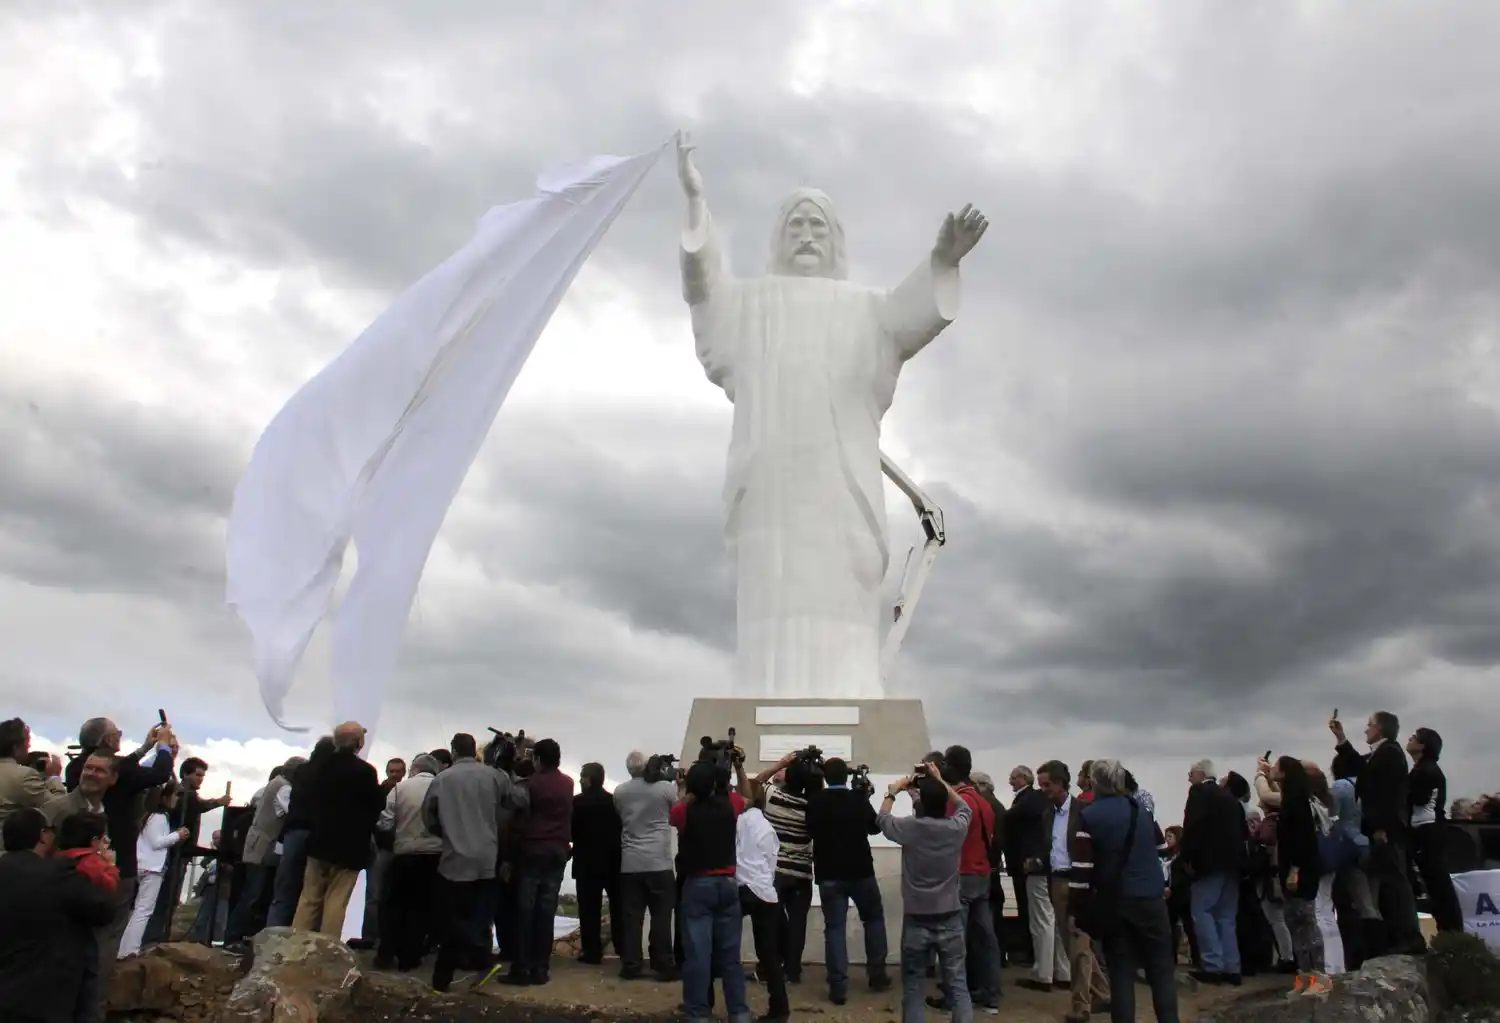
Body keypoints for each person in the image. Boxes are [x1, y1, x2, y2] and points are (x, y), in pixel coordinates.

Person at [674, 134, 988, 701]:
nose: (807, 236)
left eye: (819, 226)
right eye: (796, 225)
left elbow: (908, 319)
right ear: (777, 238)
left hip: (840, 486)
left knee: (842, 595)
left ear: (837, 239)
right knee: (771, 594)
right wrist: (697, 205)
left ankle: (850, 695)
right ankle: (762, 696)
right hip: (769, 486)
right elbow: (705, 290)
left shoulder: (865, 308)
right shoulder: (751, 303)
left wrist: (941, 261)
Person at [1070, 759, 1180, 1023]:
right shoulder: (1140, 812)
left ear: (1095, 783)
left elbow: (1082, 870)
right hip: (1151, 898)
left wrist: (1077, 910)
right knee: (1161, 970)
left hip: (1116, 901)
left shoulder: (1089, 815)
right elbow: (1156, 849)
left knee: (1120, 971)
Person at [423, 732, 528, 993]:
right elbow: (518, 800)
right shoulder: (493, 776)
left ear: (454, 751)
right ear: (474, 751)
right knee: (478, 917)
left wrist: (446, 833)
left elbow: (429, 817)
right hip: (486, 856)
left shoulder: (442, 779)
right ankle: (451, 974)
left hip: (454, 859)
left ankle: (459, 969)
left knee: (451, 918)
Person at [878, 761, 974, 1023]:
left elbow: (882, 819)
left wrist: (892, 791)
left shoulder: (910, 828)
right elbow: (965, 808)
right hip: (950, 914)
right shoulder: (955, 829)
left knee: (913, 986)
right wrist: (939, 780)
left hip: (917, 916)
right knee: (957, 984)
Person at [0, 808, 116, 1023]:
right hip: (41, 997)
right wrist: (105, 866)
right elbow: (105, 910)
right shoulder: (58, 874)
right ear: (43, 835)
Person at [1330, 711, 1424, 956]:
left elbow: (1387, 795)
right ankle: (1398, 936)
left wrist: (1382, 827)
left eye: (1370, 725)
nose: (1366, 729)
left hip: (1386, 829)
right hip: (1379, 829)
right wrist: (1341, 738)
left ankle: (1409, 936)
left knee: (1395, 882)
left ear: (1380, 729)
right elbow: (1361, 768)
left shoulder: (1390, 753)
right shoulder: (1382, 754)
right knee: (1388, 882)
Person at [805, 757, 889, 1004]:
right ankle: (877, 974)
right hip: (860, 870)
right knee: (873, 919)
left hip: (829, 872)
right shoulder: (858, 799)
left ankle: (838, 986)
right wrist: (866, 798)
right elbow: (875, 829)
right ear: (846, 776)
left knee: (834, 928)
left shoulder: (816, 801)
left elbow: (809, 830)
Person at [672, 759, 750, 1023]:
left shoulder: (684, 811)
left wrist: (684, 788)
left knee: (697, 956)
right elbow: (748, 796)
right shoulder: (730, 804)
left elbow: (676, 812)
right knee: (730, 957)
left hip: (698, 884)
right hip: (727, 882)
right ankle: (739, 1012)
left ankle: (699, 1014)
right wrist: (738, 769)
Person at [293, 722, 385, 936]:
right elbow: (376, 805)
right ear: (359, 743)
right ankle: (327, 951)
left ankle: (296, 945)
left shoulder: (317, 768)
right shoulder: (365, 771)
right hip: (350, 847)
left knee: (309, 898)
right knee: (337, 900)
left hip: (318, 841)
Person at [500, 738, 573, 986]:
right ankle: (541, 968)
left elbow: (514, 806)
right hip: (558, 850)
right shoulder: (568, 783)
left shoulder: (530, 784)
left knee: (525, 910)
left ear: (538, 759)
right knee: (546, 911)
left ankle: (521, 969)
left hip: (533, 849)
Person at [938, 746, 1002, 1015]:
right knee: (986, 938)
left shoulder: (956, 802)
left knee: (956, 940)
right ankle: (991, 995)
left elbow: (946, 837)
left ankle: (954, 997)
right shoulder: (984, 802)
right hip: (982, 874)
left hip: (961, 872)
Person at [1263, 757, 1328, 996]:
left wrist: (1295, 870)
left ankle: (1319, 975)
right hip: (1291, 869)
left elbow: (1303, 840)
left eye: (1277, 767)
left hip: (1300, 871)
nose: (1274, 770)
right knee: (1294, 923)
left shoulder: (1298, 803)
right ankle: (1305, 976)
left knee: (1306, 922)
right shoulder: (1292, 798)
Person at [1179, 759, 1246, 986]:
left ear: (1200, 773)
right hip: (1233, 864)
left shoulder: (1199, 793)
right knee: (1226, 917)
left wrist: (1187, 858)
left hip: (1208, 864)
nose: (1189, 778)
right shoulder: (1229, 798)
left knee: (1202, 911)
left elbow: (1193, 827)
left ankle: (1212, 964)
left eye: (1190, 773)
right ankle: (1232, 966)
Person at [614, 751, 679, 982]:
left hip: (630, 862)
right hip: (659, 861)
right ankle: (662, 963)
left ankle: (631, 964)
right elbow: (677, 811)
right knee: (661, 916)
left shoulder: (620, 792)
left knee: (632, 917)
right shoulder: (665, 789)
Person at [374, 753, 442, 972]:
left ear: (413, 769)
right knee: (421, 907)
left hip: (404, 852)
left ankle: (386, 953)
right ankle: (410, 957)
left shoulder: (399, 789)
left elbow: (385, 822)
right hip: (433, 854)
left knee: (394, 904)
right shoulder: (442, 787)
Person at [228, 757, 302, 945]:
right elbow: (291, 811)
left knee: (254, 893)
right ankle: (234, 936)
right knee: (253, 894)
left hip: (260, 845)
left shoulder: (274, 784)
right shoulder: (284, 788)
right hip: (263, 847)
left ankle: (237, 935)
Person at [267, 736, 333, 927]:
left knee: (284, 890)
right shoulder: (328, 774)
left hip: (292, 833)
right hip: (316, 834)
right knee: (312, 890)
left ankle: (273, 935)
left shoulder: (302, 773)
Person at [118, 782, 188, 957]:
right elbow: (157, 842)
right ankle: (129, 950)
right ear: (165, 797)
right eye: (175, 795)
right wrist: (177, 835)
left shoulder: (149, 816)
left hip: (144, 865)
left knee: (137, 910)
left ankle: (125, 948)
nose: (177, 799)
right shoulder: (159, 817)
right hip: (151, 868)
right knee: (143, 910)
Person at [738, 786, 789, 1022]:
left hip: (739, 887)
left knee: (726, 948)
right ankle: (779, 1008)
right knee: (769, 954)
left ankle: (735, 1005)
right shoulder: (767, 827)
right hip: (764, 890)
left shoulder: (736, 821)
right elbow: (771, 860)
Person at [1406, 727, 1462, 934]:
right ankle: (1450, 930)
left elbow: (1417, 798)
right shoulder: (1423, 768)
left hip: (1427, 830)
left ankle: (1451, 931)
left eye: (1413, 737)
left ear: (1422, 745)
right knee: (1436, 884)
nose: (1409, 739)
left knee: (1438, 885)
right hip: (1428, 830)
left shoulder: (1425, 770)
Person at [571, 762, 623, 966]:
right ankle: (622, 947)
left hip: (585, 862)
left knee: (588, 909)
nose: (580, 780)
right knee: (618, 907)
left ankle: (592, 952)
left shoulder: (577, 803)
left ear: (590, 779)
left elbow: (571, 832)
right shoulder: (614, 802)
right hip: (612, 861)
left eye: (583, 776)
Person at [1004, 765, 1048, 975]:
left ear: (1024, 778)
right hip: (1022, 863)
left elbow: (1011, 820)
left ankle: (1031, 955)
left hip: (1024, 863)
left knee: (1030, 909)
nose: (1010, 782)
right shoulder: (1029, 799)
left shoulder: (1029, 799)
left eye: (1013, 778)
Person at [0, 718, 65, 837]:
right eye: (27, 744)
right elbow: (59, 810)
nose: (29, 747)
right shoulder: (23, 776)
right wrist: (54, 778)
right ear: (16, 748)